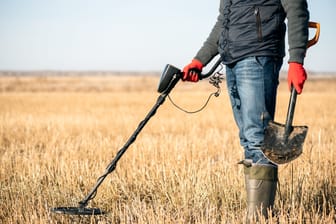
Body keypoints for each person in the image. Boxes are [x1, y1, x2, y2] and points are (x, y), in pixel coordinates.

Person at [182, 0, 309, 222]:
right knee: (248, 138)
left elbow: (297, 8)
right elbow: (224, 21)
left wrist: (296, 60)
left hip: (258, 55)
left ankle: (258, 217)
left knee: (257, 138)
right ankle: (258, 213)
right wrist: (199, 60)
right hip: (231, 59)